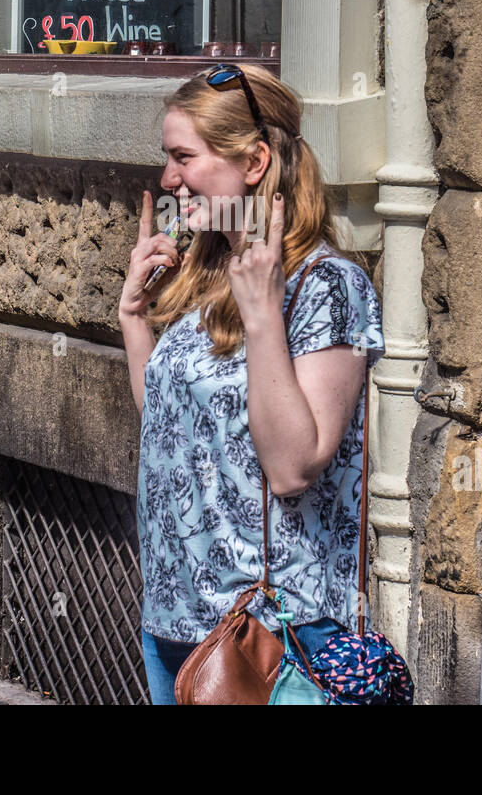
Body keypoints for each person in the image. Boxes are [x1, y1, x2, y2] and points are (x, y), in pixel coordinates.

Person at [118, 63, 385, 705]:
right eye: (167, 157)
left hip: (271, 631)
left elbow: (294, 467)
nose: (168, 179)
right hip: (176, 615)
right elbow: (167, 425)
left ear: (256, 161)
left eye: (184, 157)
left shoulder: (326, 286)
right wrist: (132, 316)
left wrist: (265, 316)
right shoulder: (205, 274)